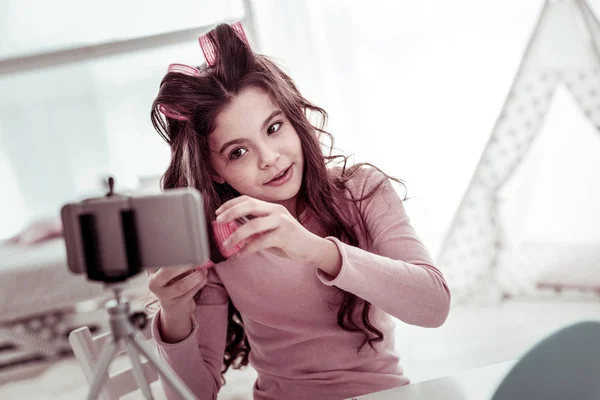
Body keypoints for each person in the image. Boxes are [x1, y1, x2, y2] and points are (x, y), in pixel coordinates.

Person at [147, 22, 451, 400]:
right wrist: (173, 314)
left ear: (294, 119)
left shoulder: (362, 190)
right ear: (213, 169)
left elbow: (434, 306)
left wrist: (315, 250)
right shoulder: (218, 238)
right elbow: (191, 396)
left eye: (274, 128)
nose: (270, 158)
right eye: (238, 152)